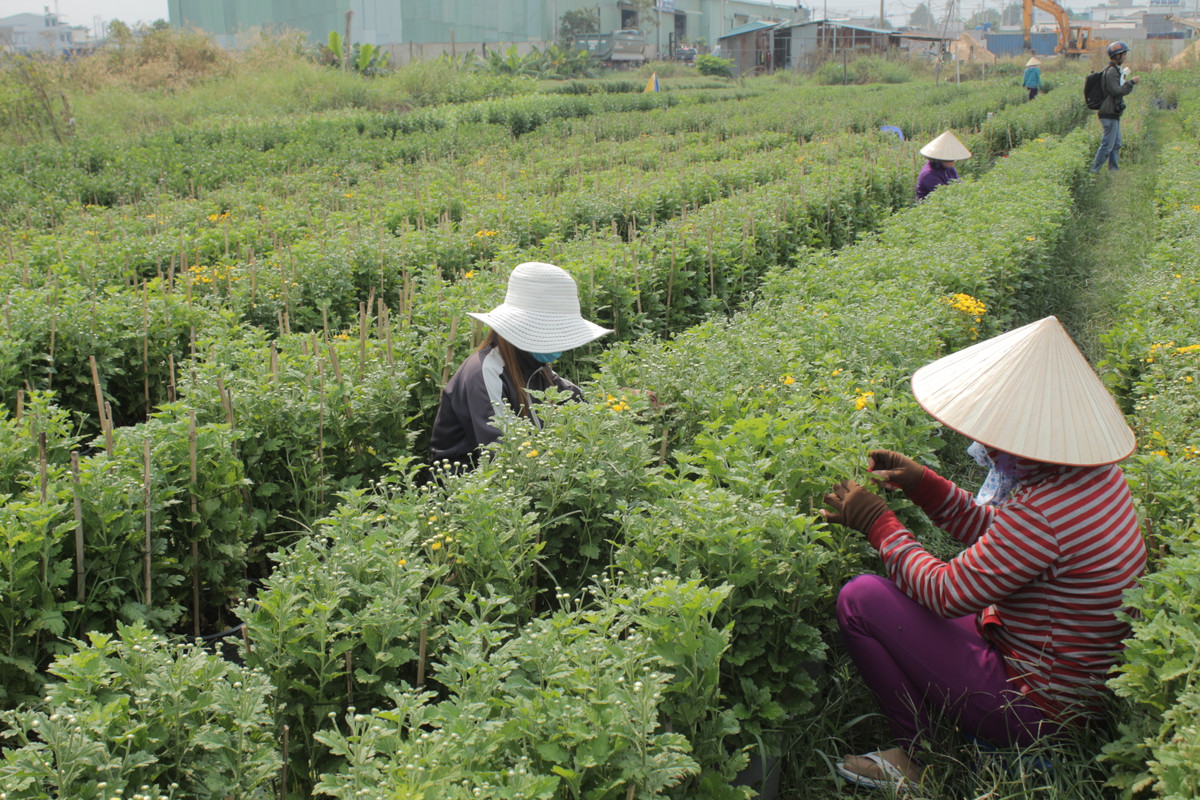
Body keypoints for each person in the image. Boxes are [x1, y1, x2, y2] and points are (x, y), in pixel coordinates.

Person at [820, 316, 1147, 792]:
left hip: (1039, 708)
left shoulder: (1045, 511)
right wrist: (925, 486)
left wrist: (878, 523)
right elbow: (1002, 542)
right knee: (892, 601)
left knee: (862, 598)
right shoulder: (1089, 476)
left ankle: (915, 757)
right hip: (1069, 679)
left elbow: (946, 593)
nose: (988, 446)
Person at [429, 261, 611, 467]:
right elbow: (506, 451)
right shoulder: (485, 372)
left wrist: (616, 405)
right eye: (552, 331)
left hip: (516, 478)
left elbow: (575, 401)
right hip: (466, 489)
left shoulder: (534, 366)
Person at [1090, 41, 1138, 173]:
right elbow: (1116, 91)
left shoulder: (1114, 70)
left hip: (1113, 113)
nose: (1125, 57)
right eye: (1124, 54)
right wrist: (1131, 83)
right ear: (1117, 56)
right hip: (1108, 113)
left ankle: (1113, 171)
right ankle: (1094, 171)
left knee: (1116, 144)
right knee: (1107, 146)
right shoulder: (1110, 71)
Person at [915, 131, 970, 201]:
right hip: (929, 205)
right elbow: (942, 195)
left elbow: (957, 183)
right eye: (951, 160)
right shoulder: (928, 174)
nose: (953, 162)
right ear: (941, 159)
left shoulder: (949, 168)